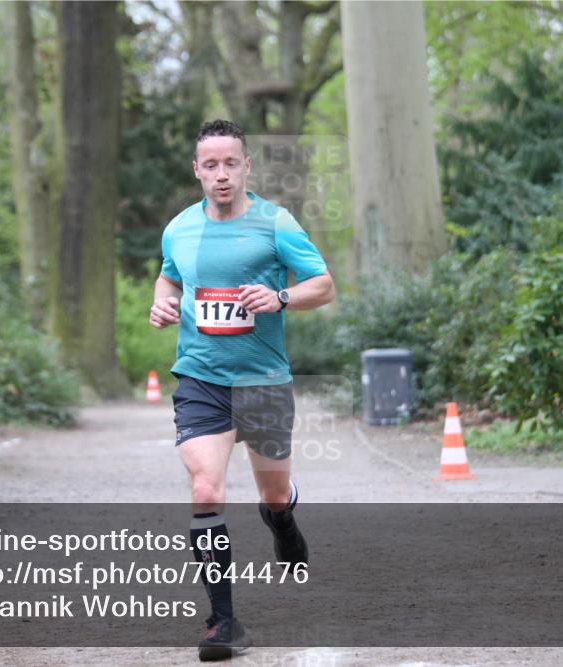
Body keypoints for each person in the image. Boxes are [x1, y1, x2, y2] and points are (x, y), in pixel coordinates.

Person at [149, 119, 335, 661]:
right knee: (206, 491)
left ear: (247, 165)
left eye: (231, 163)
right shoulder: (178, 228)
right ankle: (223, 622)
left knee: (272, 493)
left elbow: (322, 286)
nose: (222, 174)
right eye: (211, 165)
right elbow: (169, 277)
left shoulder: (276, 223)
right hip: (201, 378)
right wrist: (160, 300)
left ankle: (282, 519)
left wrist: (280, 297)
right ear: (197, 171)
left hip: (264, 382)